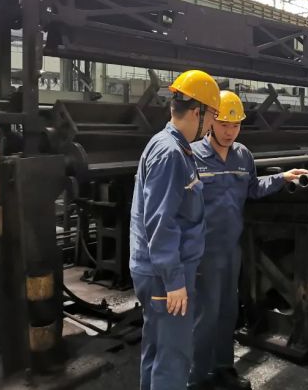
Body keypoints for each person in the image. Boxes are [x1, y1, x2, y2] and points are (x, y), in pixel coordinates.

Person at [188, 90, 308, 390]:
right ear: (211, 121)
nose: (230, 132)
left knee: (228, 311)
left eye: (236, 125)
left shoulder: (243, 155)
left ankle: (223, 369)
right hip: (203, 251)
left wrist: (282, 178)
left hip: (232, 250)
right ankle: (197, 378)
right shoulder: (192, 156)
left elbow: (252, 188)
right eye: (224, 125)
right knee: (204, 315)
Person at [129, 70, 220, 390]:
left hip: (157, 270)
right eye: (213, 116)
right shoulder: (170, 153)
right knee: (173, 357)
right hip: (164, 275)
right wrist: (174, 281)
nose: (211, 126)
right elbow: (161, 221)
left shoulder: (171, 146)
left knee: (156, 349)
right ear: (197, 112)